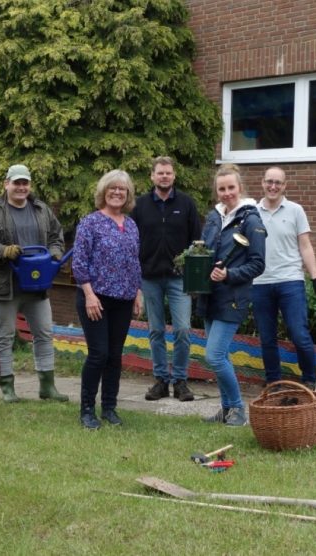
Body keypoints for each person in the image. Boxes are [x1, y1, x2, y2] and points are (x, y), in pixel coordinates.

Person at [0, 164, 69, 403]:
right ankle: (7, 387)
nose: (21, 187)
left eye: (25, 183)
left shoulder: (41, 210)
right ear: (6, 184)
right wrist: (3, 250)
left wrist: (56, 252)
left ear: (30, 185)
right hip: (5, 286)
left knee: (44, 334)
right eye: (16, 183)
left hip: (37, 286)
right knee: (4, 336)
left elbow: (57, 236)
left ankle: (47, 387)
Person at [71, 170, 143, 429]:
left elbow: (135, 262)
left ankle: (110, 408)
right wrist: (89, 295)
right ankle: (87, 410)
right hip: (96, 298)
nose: (117, 193)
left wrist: (138, 293)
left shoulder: (131, 224)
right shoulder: (90, 223)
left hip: (124, 299)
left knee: (115, 355)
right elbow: (79, 263)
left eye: (122, 189)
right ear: (103, 192)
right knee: (98, 354)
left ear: (128, 195)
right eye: (112, 188)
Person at [198, 164, 266, 426]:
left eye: (231, 188)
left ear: (240, 188)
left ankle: (238, 408)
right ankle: (226, 409)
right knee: (221, 356)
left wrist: (229, 274)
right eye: (222, 189)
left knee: (213, 355)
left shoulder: (251, 220)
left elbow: (258, 264)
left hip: (233, 296)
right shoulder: (214, 217)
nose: (227, 193)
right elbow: (205, 253)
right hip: (209, 295)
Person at [131, 156, 202, 403]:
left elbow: (197, 244)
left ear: (174, 176)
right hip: (149, 278)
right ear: (152, 176)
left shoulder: (186, 204)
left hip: (178, 279)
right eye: (160, 173)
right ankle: (161, 380)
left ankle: (180, 381)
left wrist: (195, 281)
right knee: (156, 331)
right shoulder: (139, 206)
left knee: (182, 329)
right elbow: (132, 244)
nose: (164, 177)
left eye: (168, 173)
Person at [252, 166, 316, 389]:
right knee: (267, 337)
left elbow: (305, 246)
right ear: (262, 183)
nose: (273, 186)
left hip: (290, 281)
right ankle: (273, 382)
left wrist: (315, 277)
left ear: (285, 186)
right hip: (260, 282)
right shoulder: (252, 212)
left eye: (278, 183)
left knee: (299, 334)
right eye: (269, 182)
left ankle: (310, 380)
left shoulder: (295, 210)